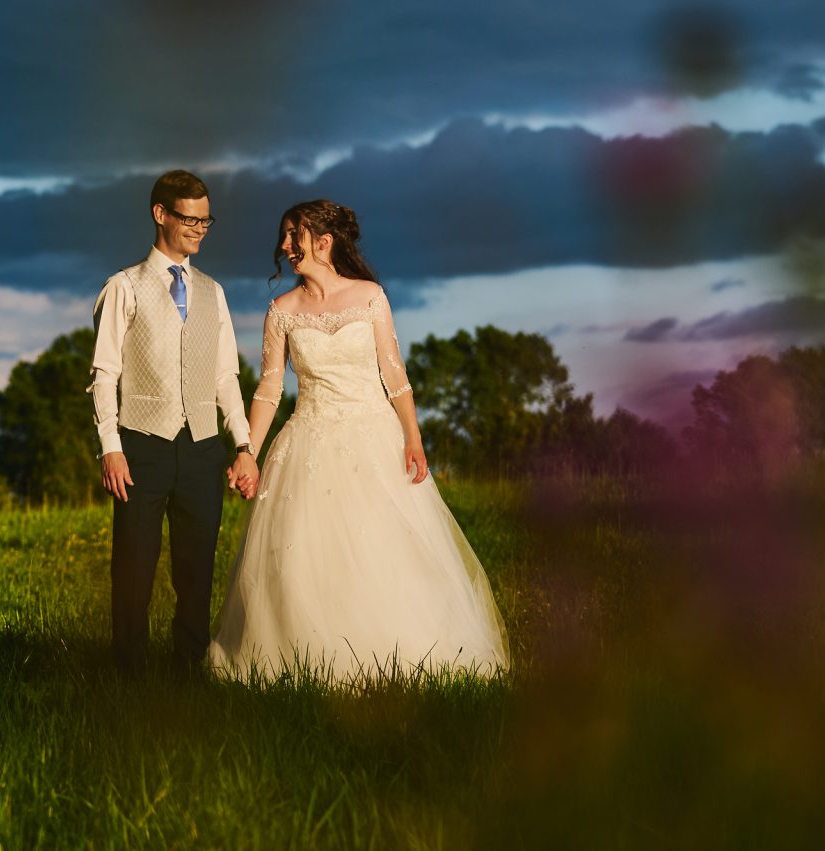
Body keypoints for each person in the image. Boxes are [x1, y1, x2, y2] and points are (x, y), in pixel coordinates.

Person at [208, 200, 509, 683]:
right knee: (305, 561)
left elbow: (395, 375)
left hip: (374, 440)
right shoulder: (281, 311)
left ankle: (399, 660)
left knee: (385, 555)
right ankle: (310, 663)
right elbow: (268, 389)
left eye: (293, 236)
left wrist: (413, 437)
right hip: (307, 443)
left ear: (323, 242)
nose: (284, 247)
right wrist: (248, 452)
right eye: (284, 238)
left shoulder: (370, 296)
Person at [88, 169, 259, 676]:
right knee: (135, 567)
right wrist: (110, 446)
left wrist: (243, 444)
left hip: (203, 447)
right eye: (190, 218)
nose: (200, 229)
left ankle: (188, 670)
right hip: (142, 446)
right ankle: (130, 673)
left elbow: (226, 376)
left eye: (206, 220)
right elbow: (103, 375)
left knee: (196, 567)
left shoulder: (214, 292)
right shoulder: (124, 287)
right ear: (160, 214)